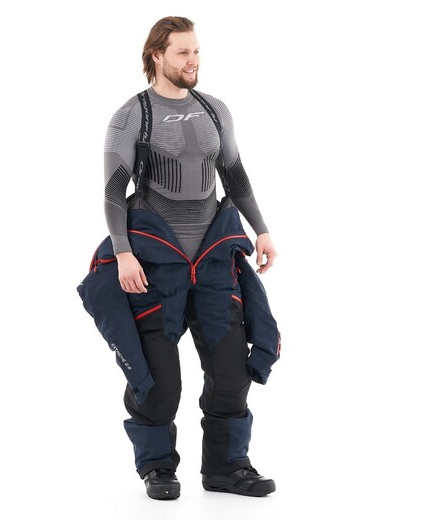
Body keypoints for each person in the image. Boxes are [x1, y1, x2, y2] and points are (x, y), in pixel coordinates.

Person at [102, 16, 279, 500]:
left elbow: (235, 175)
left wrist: (261, 229)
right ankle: (158, 467)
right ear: (156, 55)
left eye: (196, 51)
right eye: (183, 52)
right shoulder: (132, 115)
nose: (193, 60)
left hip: (214, 258)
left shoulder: (214, 110)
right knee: (158, 381)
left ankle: (227, 467)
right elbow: (114, 191)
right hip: (157, 262)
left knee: (231, 371)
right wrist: (122, 253)